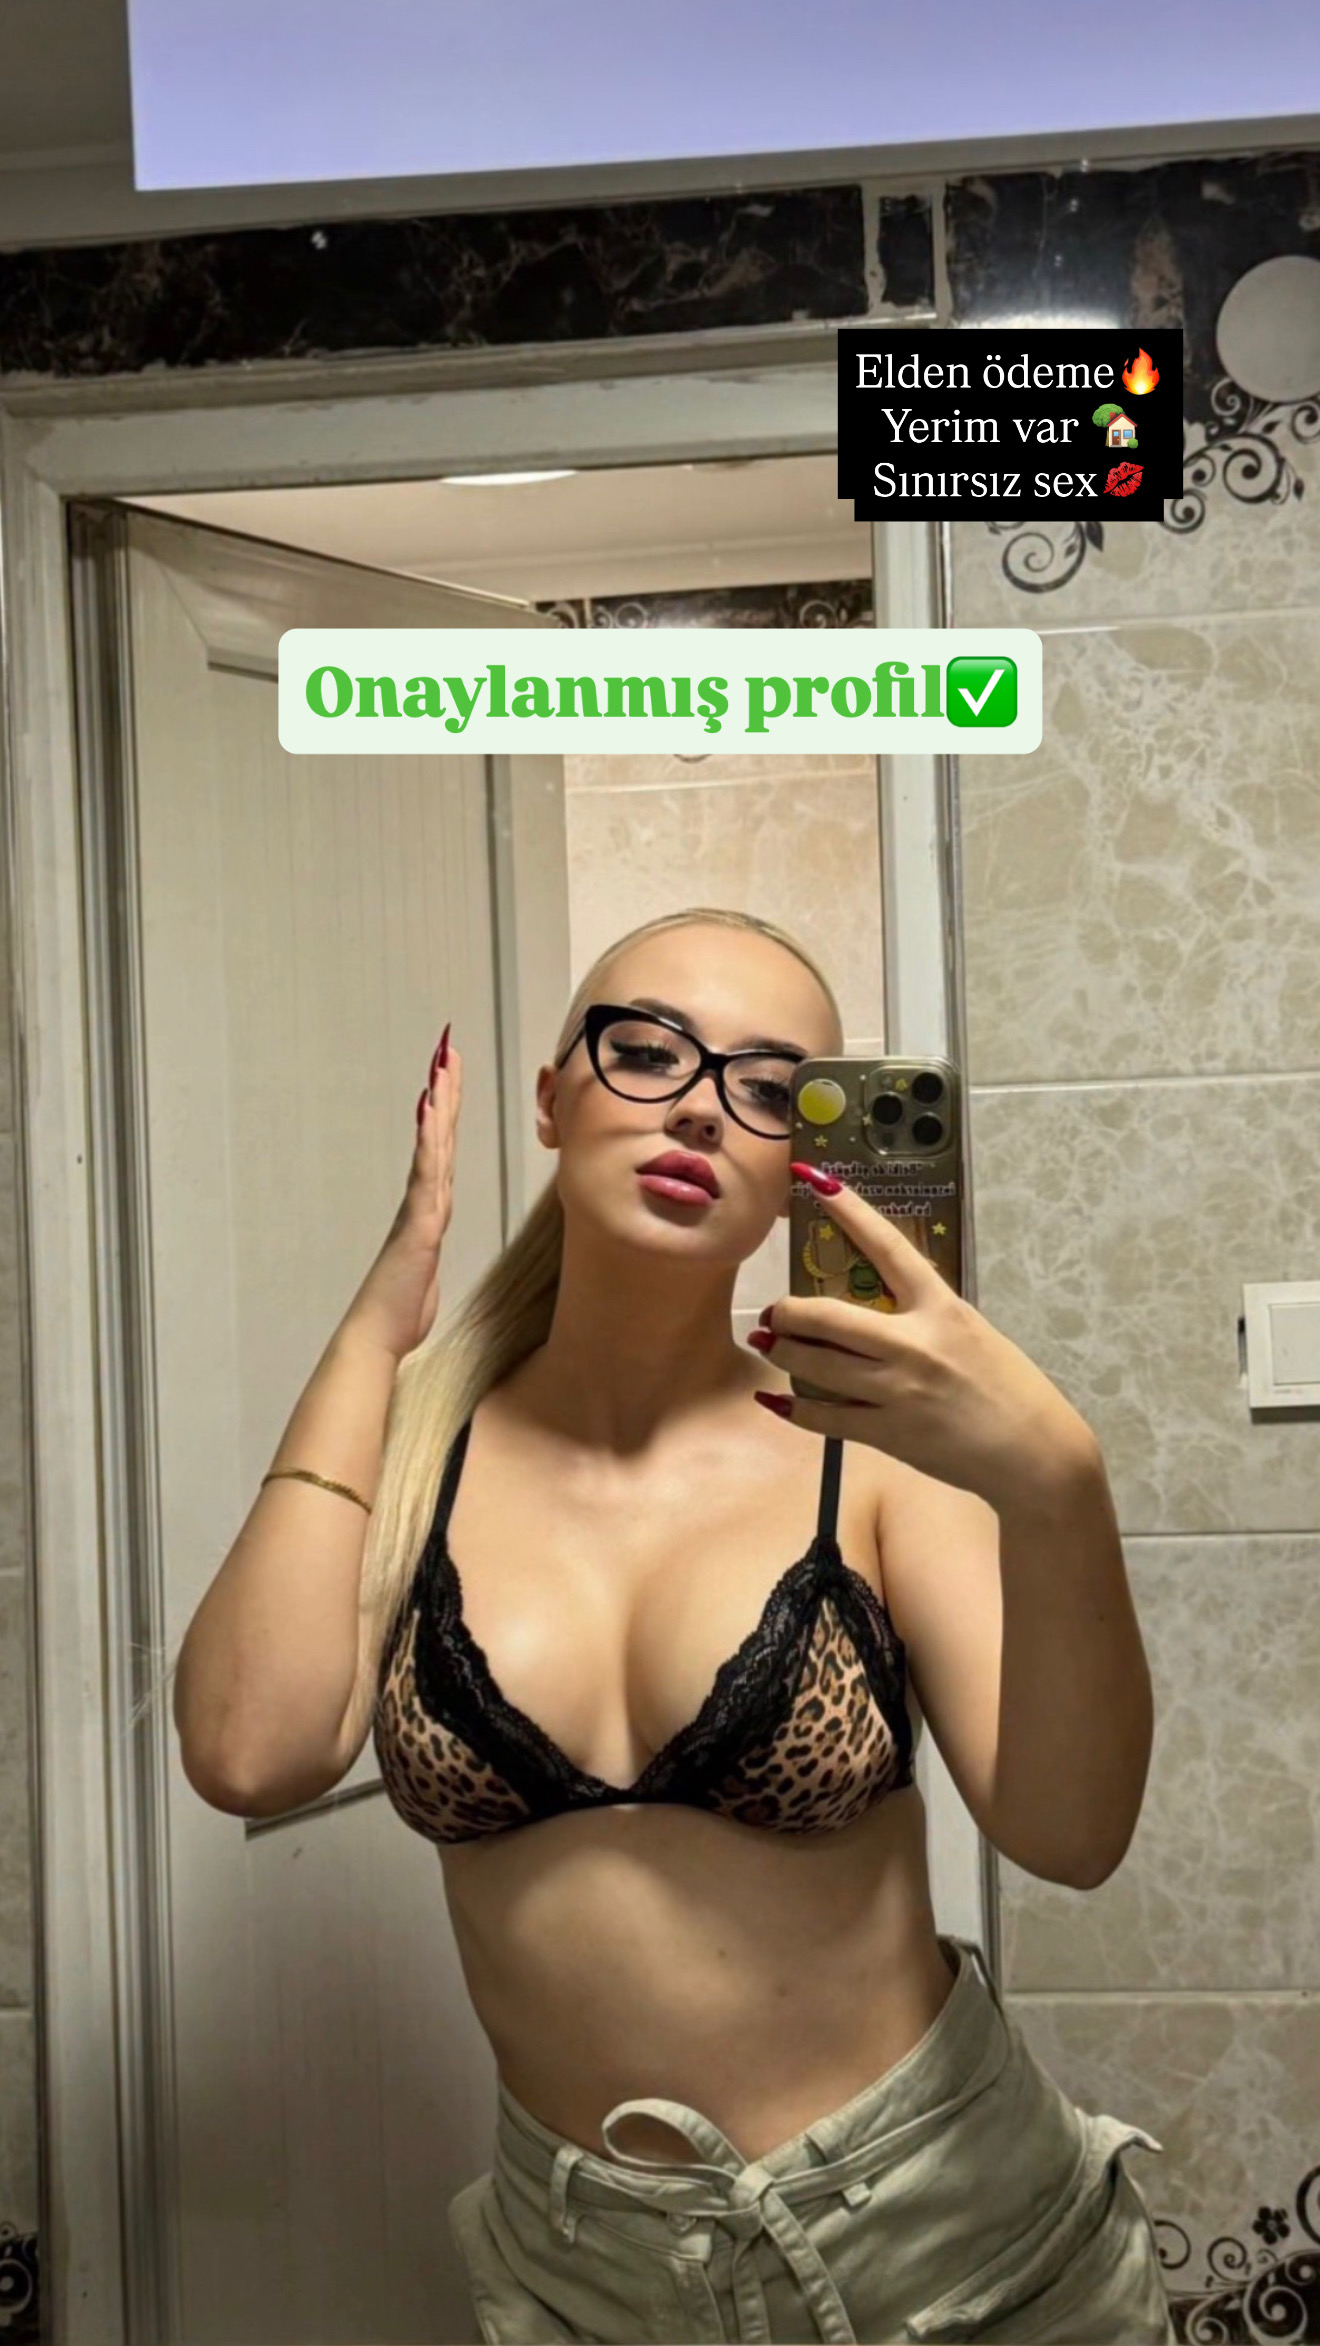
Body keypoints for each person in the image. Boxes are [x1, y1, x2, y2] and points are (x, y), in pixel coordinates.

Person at [174, 907, 1174, 2345]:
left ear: (803, 1169)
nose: (700, 1105)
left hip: (958, 2254)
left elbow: (1073, 1835)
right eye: (647, 1051)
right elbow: (247, 1752)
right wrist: (373, 1333)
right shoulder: (416, 1451)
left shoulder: (870, 1447)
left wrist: (1057, 1481)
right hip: (587, 2277)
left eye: (769, 1087)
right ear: (551, 1099)